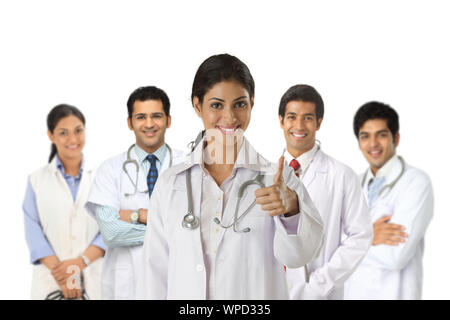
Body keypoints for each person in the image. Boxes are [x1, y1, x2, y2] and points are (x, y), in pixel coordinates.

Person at [138, 54, 324, 300]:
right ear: (197, 105)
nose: (230, 117)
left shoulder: (276, 178)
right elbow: (154, 274)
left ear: (252, 104)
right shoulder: (171, 183)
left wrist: (291, 209)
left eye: (239, 104)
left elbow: (300, 257)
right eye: (216, 105)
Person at [85, 86, 185, 299]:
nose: (149, 124)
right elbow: (111, 232)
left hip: (177, 278)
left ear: (168, 120)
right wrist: (169, 229)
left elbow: (198, 226)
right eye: (141, 117)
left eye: (156, 116)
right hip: (127, 283)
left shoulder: (188, 165)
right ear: (130, 122)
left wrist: (132, 216)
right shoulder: (110, 169)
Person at [279, 84, 373, 300]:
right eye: (292, 117)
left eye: (308, 118)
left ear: (319, 122)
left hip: (319, 294)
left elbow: (361, 236)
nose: (299, 125)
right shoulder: (262, 175)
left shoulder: (341, 176)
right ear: (281, 120)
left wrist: (319, 284)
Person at [344, 101, 434, 300]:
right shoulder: (353, 184)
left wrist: (353, 241)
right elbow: (326, 251)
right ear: (358, 142)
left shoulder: (416, 183)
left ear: (396, 138)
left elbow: (395, 256)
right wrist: (370, 235)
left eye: (381, 135)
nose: (373, 144)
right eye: (365, 136)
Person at [23, 104, 105, 300]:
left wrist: (80, 263)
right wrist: (65, 277)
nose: (73, 139)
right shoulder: (36, 180)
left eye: (78, 131)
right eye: (63, 133)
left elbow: (110, 227)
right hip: (51, 280)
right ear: (51, 136)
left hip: (94, 276)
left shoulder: (102, 177)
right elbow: (33, 233)